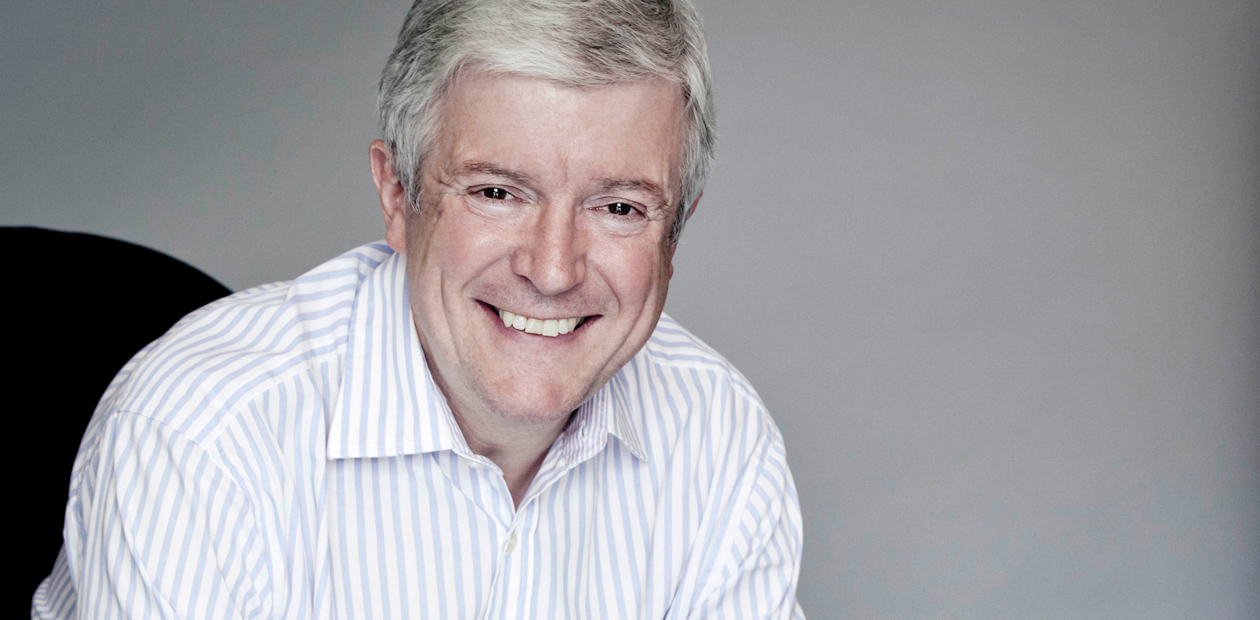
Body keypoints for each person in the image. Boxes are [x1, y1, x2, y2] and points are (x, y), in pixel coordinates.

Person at [32, 0, 804, 617]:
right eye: (497, 192)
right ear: (397, 194)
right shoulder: (201, 438)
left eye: (619, 207)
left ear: (675, 234)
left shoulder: (717, 436)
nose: (553, 268)